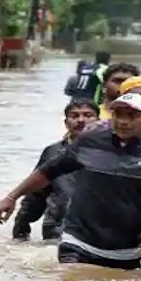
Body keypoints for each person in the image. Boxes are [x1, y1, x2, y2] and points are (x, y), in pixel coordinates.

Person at [0, 93, 141, 269]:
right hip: (77, 241)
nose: (124, 122)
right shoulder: (92, 137)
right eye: (118, 115)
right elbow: (49, 171)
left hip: (127, 249)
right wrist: (11, 197)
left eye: (132, 116)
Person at [12, 99, 99, 242]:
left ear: (99, 121)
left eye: (88, 115)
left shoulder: (110, 152)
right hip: (57, 229)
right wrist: (21, 227)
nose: (81, 120)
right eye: (74, 116)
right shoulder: (53, 152)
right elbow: (37, 192)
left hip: (95, 229)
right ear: (66, 123)